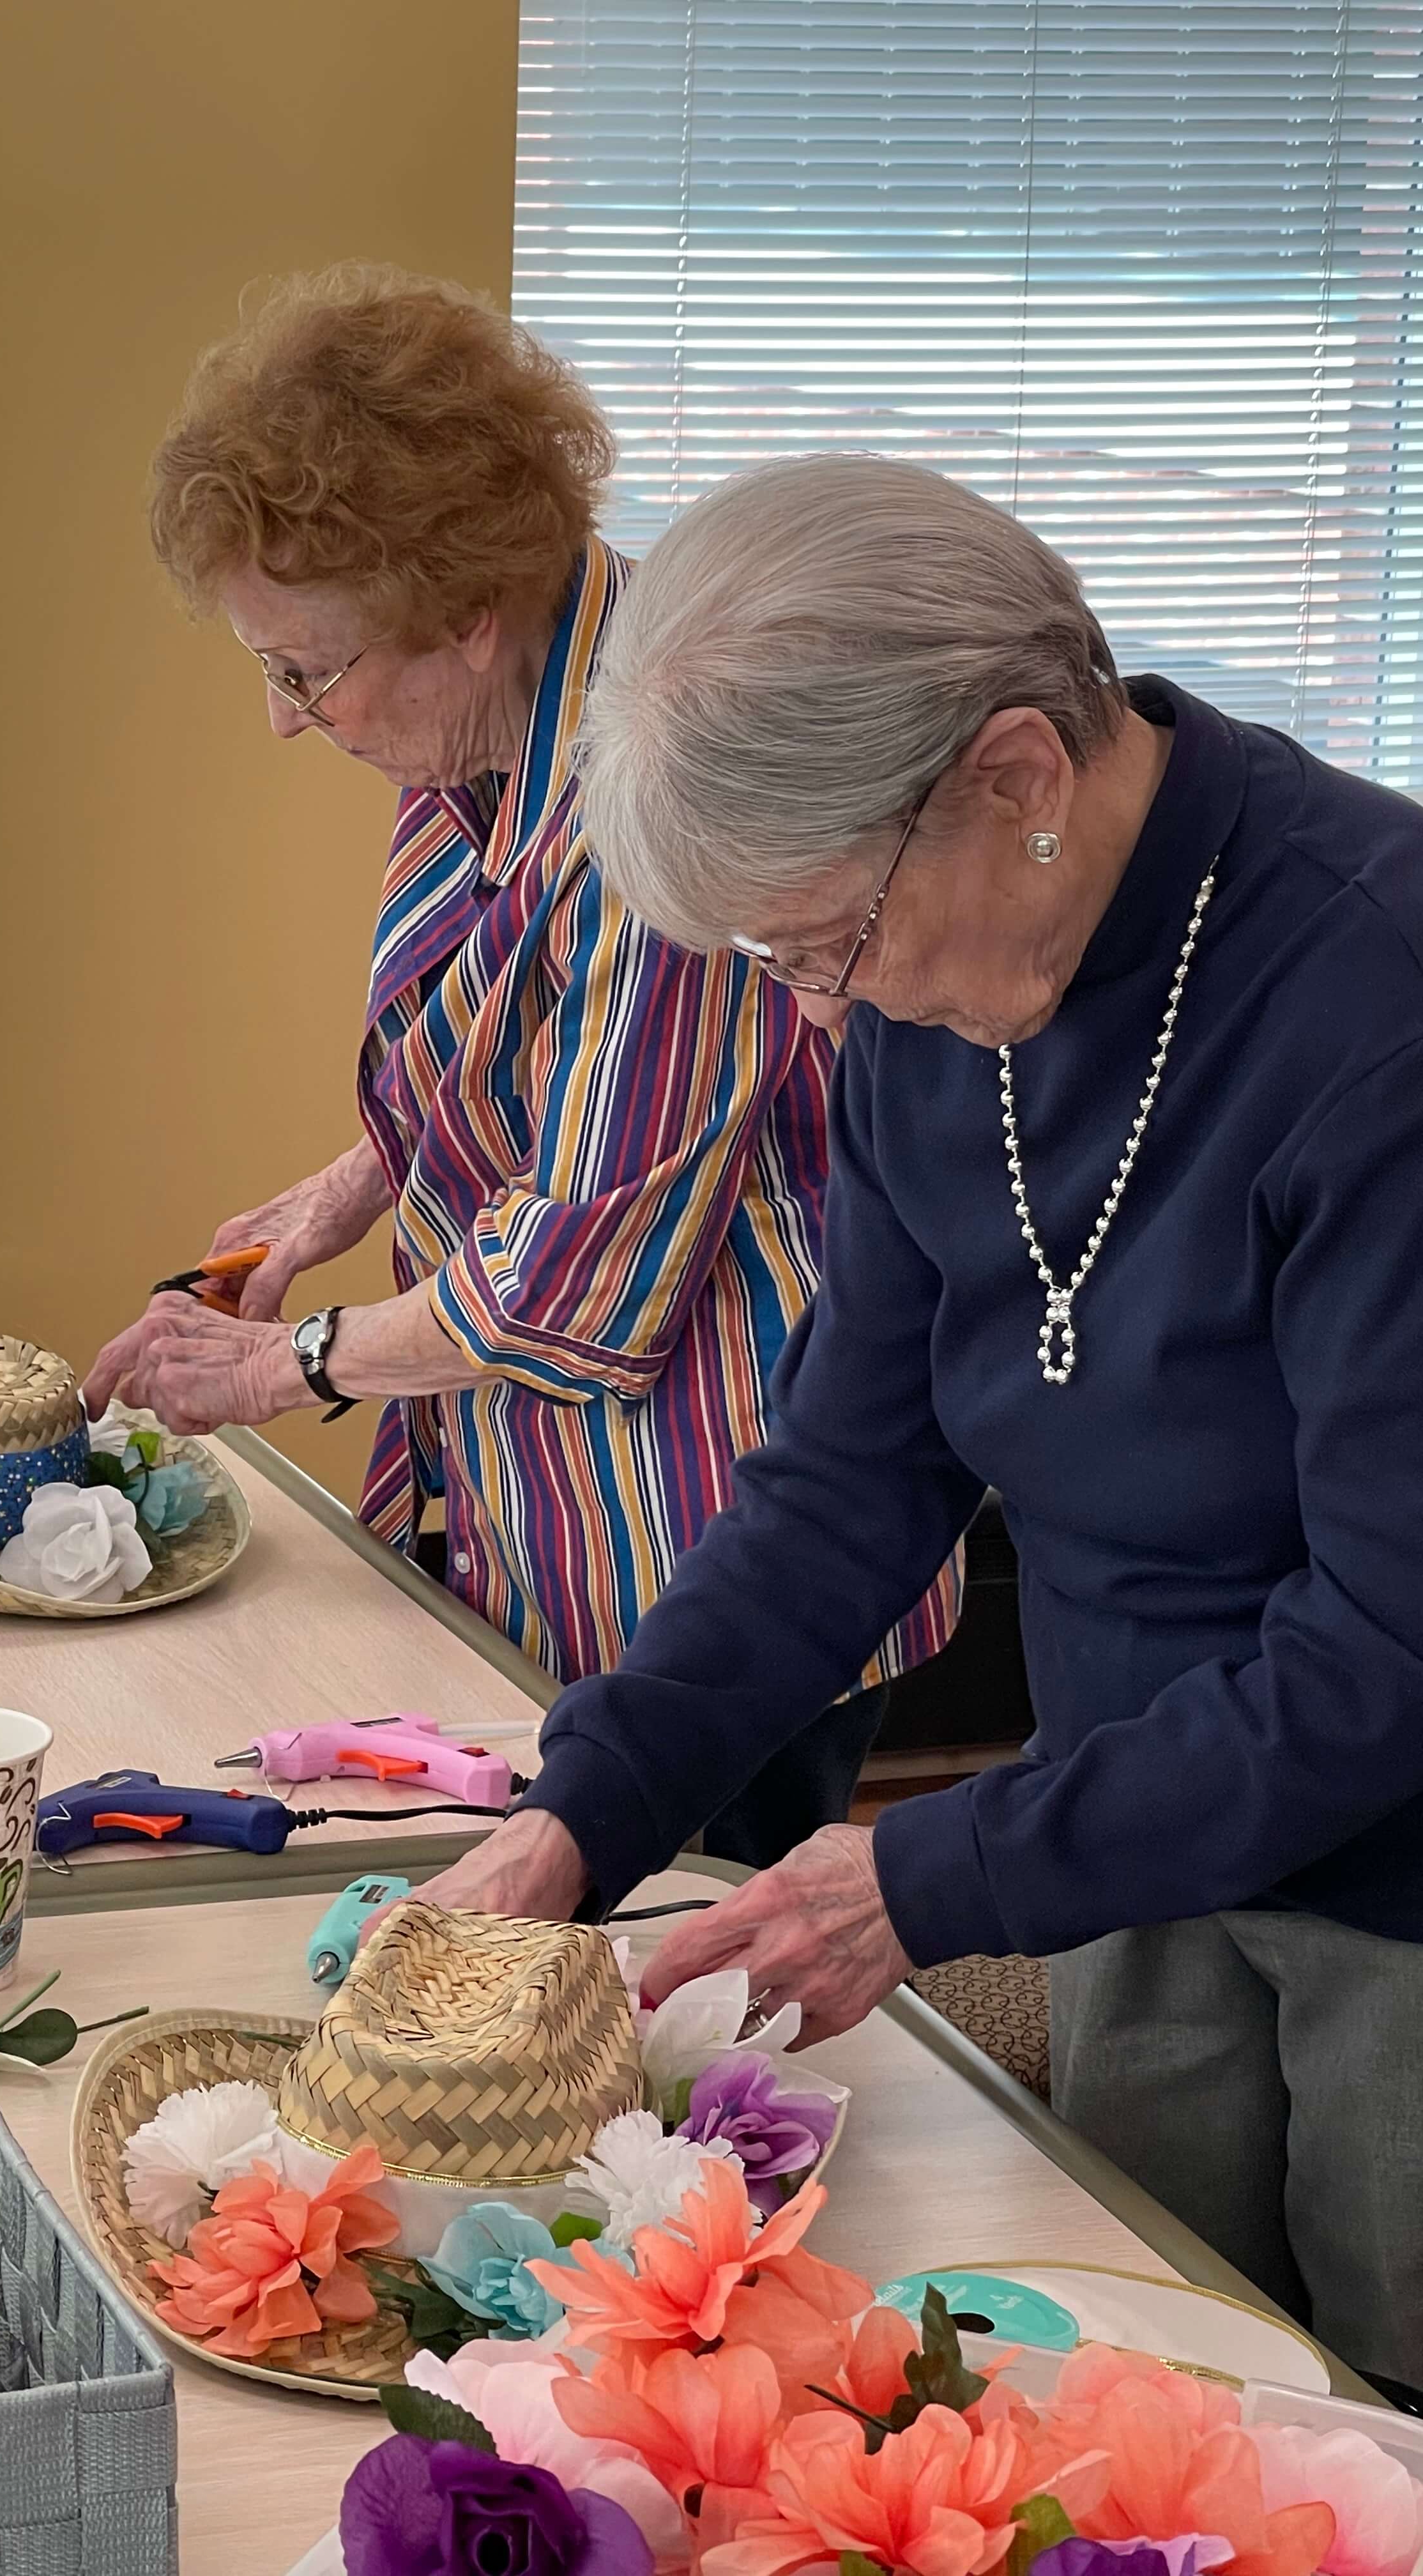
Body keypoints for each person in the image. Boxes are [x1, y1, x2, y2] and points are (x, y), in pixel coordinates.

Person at [407, 451, 1423, 2398]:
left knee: (1384, 2414)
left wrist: (932, 1876)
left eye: (826, 939)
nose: (817, 1011)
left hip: (1402, 1869)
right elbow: (852, 1479)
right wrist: (584, 1810)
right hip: (1139, 1832)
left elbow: (1394, 1643)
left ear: (1016, 777)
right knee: (1154, 2379)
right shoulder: (936, 1003)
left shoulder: (1375, 992)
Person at [86, 273, 959, 1850]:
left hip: (711, 1544)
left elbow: (575, 1283)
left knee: (667, 1978)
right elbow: (519, 1036)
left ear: (462, 613)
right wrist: (342, 1194)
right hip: (534, 1501)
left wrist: (281, 1368)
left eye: (305, 671)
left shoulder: (662, 778)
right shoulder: (483, 701)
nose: (285, 718)